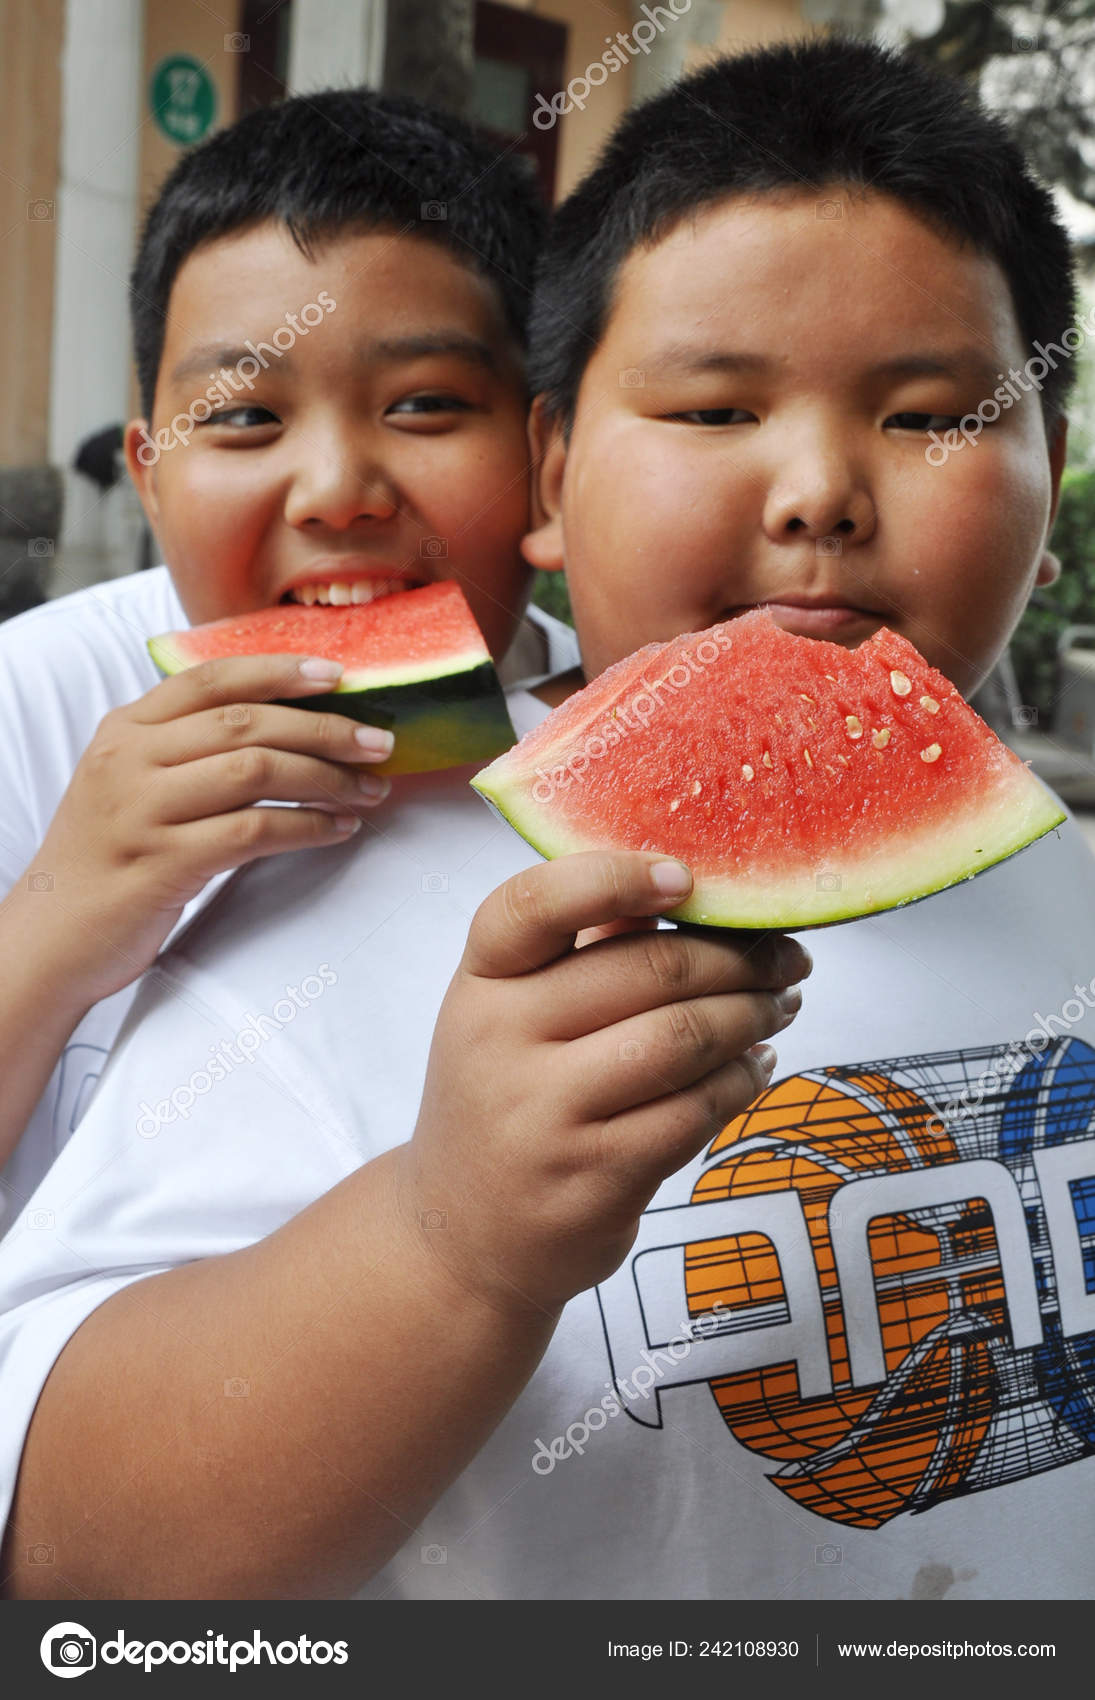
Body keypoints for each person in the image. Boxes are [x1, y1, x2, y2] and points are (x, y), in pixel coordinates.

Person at [5, 32, 1088, 1602]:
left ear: (1046, 481)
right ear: (550, 472)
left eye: (928, 413)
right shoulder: (318, 895)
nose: (816, 493)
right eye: (713, 413)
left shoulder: (1045, 863)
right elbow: (68, 1552)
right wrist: (445, 1241)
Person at [0, 85, 578, 1204]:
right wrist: (65, 909)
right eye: (245, 418)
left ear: (546, 450)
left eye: (423, 405)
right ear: (150, 471)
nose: (337, 492)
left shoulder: (601, 712)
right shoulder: (31, 702)